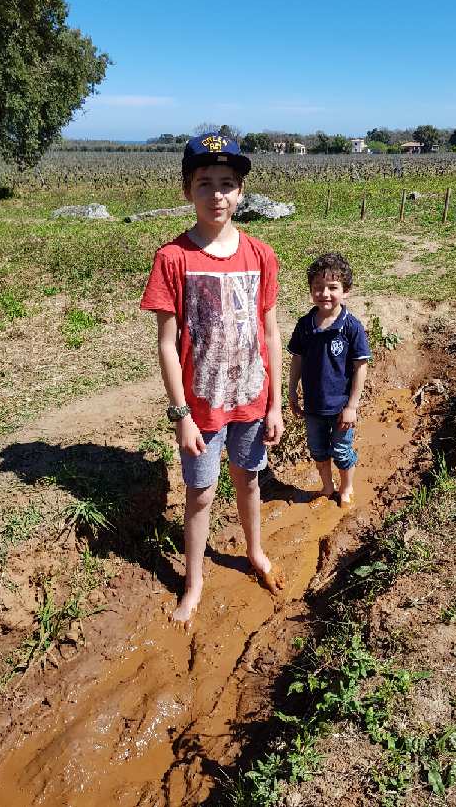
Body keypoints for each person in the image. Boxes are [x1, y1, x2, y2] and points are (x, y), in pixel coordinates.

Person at [140, 132, 284, 626]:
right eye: (205, 183)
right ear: (187, 190)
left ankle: (255, 551)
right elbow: (166, 343)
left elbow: (269, 330)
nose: (217, 194)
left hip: (252, 398)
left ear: (241, 192)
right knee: (200, 494)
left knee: (249, 481)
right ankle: (194, 579)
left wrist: (277, 403)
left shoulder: (261, 255)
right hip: (200, 409)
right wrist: (180, 414)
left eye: (227, 184)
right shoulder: (172, 258)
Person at [288, 253, 371, 506]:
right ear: (311, 291)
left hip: (341, 407)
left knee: (342, 451)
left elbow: (360, 366)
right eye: (318, 288)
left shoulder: (351, 327)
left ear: (346, 291)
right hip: (313, 406)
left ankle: (346, 488)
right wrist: (292, 391)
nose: (324, 293)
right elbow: (297, 360)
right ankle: (327, 486)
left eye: (332, 288)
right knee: (317, 450)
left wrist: (352, 406)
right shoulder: (304, 325)